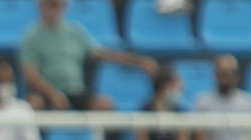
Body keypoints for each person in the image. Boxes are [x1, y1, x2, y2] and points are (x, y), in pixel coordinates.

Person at [19, 0, 155, 112]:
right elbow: (31, 75)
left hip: (75, 91)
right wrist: (53, 93)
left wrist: (139, 61)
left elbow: (104, 54)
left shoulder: (75, 32)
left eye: (58, 4)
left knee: (104, 105)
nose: (54, 9)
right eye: (50, 4)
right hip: (45, 92)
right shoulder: (31, 36)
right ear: (40, 5)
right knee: (34, 105)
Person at [137, 65, 194, 140]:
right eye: (177, 84)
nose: (181, 88)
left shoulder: (181, 111)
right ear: (165, 86)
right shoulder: (145, 111)